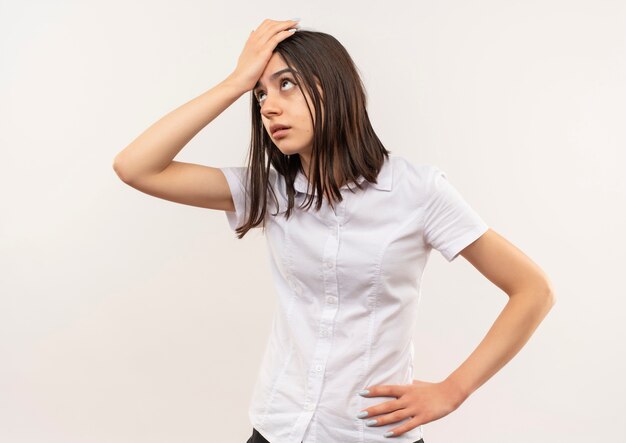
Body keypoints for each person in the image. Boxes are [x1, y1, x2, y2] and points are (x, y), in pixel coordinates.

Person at [113, 18, 556, 443]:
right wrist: (235, 82)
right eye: (260, 94)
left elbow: (532, 290)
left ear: (332, 86)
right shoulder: (270, 191)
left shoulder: (417, 191)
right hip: (278, 428)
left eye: (286, 84)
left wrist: (453, 390)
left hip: (372, 434)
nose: (268, 105)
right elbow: (135, 167)